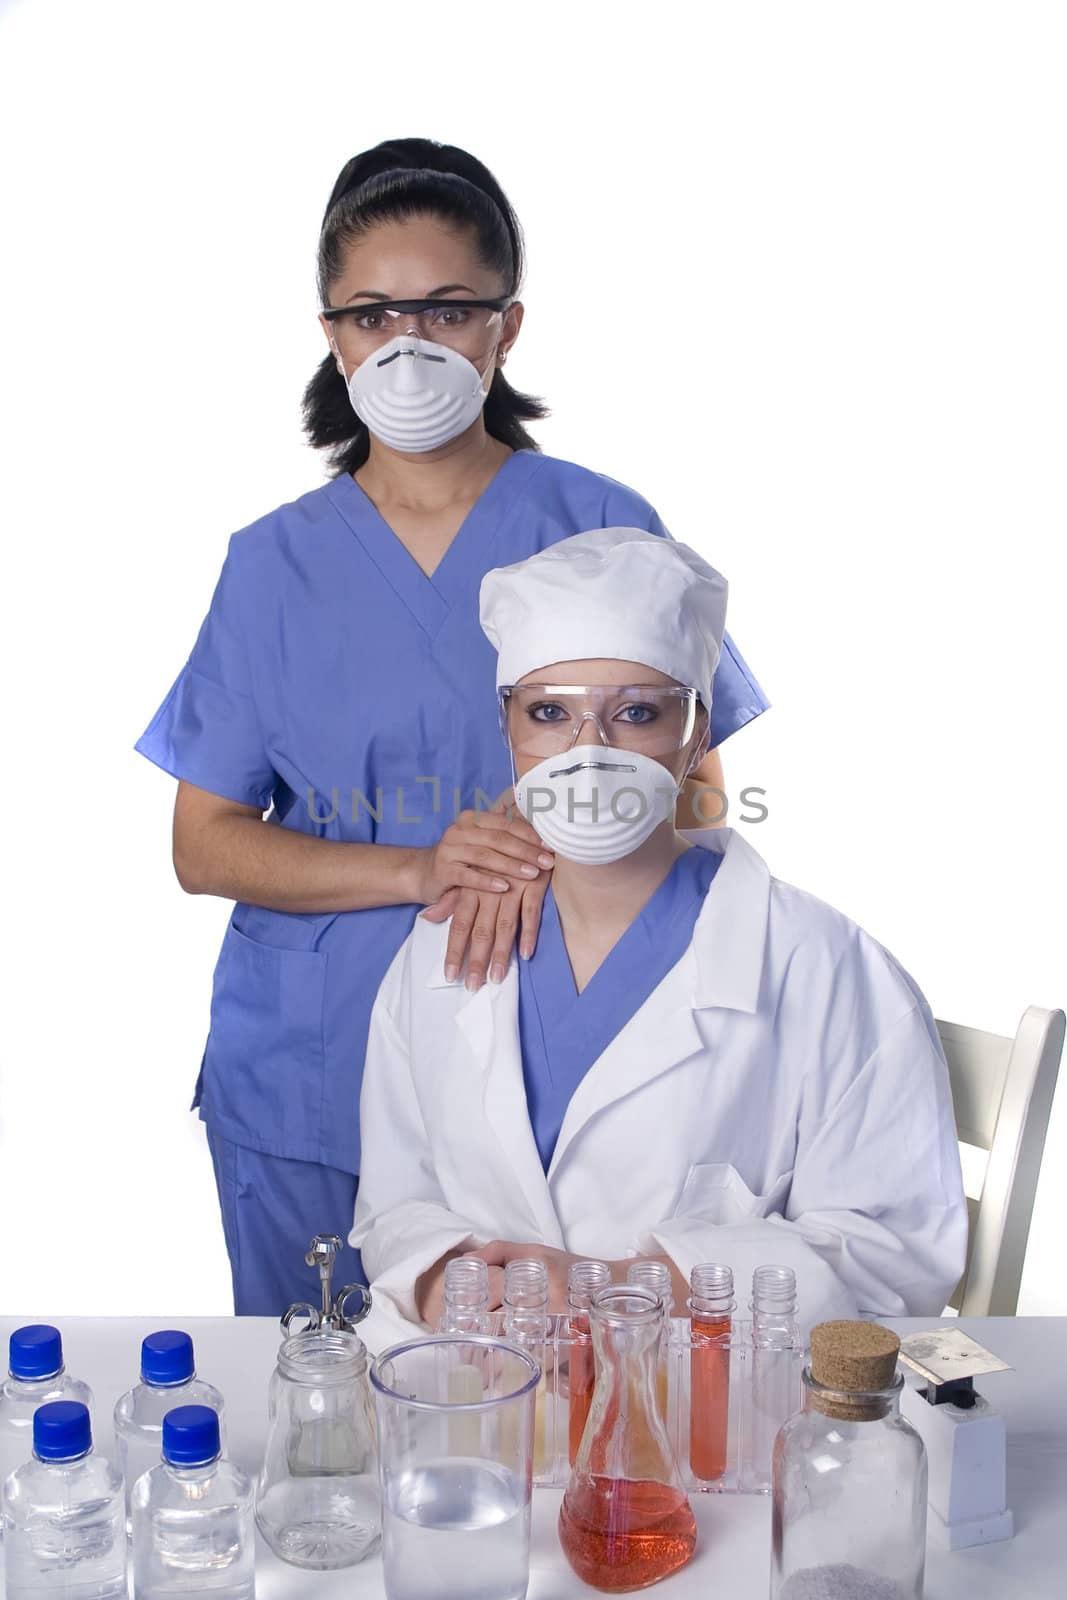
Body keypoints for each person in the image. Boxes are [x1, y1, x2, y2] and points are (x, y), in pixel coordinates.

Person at [133, 139, 768, 1316]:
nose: (408, 343)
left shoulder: (598, 520)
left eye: (446, 308)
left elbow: (699, 792)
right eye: (373, 313)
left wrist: (549, 858)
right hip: (307, 1071)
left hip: (545, 1041)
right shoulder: (270, 565)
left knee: (550, 1425)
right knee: (324, 1427)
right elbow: (204, 842)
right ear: (331, 332)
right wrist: (423, 865)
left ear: (504, 328)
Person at [351, 528, 968, 1337]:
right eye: (549, 714)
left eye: (636, 713)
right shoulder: (442, 948)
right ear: (507, 726)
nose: (588, 753)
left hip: (708, 1414)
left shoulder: (824, 966)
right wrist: (440, 1282)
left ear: (698, 732)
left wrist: (618, 1286)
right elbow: (395, 1205)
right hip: (483, 1401)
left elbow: (894, 1255)